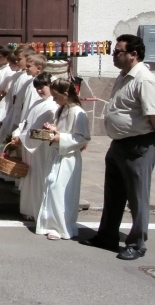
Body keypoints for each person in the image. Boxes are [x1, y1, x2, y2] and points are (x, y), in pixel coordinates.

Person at [80, 34, 155, 260]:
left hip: (138, 144)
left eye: (118, 52)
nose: (114, 56)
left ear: (133, 54)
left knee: (137, 196)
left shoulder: (144, 79)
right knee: (113, 193)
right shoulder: (124, 76)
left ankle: (136, 243)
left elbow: (153, 115)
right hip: (119, 144)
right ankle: (107, 235)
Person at [33, 78, 90, 240]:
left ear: (66, 94)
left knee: (62, 191)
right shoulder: (62, 109)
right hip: (57, 154)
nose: (54, 100)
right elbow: (63, 129)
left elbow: (83, 138)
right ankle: (49, 223)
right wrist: (53, 129)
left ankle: (62, 227)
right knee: (51, 188)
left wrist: (61, 138)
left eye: (56, 96)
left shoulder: (78, 112)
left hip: (68, 158)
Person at [13, 72, 58, 220]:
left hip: (40, 148)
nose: (39, 90)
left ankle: (38, 210)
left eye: (42, 87)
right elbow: (26, 121)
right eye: (37, 87)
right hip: (29, 145)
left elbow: (42, 130)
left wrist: (23, 137)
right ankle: (28, 209)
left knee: (39, 178)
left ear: (51, 85)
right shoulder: (37, 103)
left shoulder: (53, 105)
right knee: (29, 178)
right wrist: (17, 132)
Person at [0, 45, 36, 179]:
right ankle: (3, 171)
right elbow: (10, 97)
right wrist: (2, 114)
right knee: (2, 139)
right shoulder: (17, 76)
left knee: (15, 147)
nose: (16, 62)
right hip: (12, 113)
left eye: (19, 59)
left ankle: (14, 175)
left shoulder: (31, 79)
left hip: (21, 115)